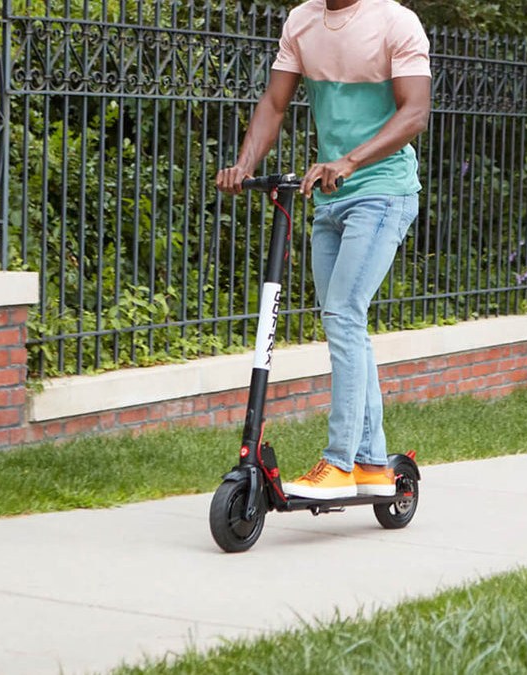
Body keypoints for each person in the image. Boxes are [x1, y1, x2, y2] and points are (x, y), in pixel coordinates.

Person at [215, 0, 431, 500]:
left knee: (343, 315)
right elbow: (273, 105)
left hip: (382, 190)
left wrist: (350, 161)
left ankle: (340, 463)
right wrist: (245, 164)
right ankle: (374, 465)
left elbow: (415, 112)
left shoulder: (394, 22)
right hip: (331, 196)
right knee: (343, 321)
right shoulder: (302, 21)